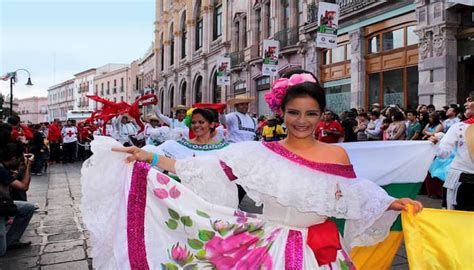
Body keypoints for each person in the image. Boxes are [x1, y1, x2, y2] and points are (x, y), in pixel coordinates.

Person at [86, 71, 423, 269]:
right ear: (282, 113)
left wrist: (393, 203)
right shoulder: (260, 152)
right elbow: (199, 168)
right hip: (270, 247)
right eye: (294, 113)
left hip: (322, 253)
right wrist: (150, 159)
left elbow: (355, 190)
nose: (301, 121)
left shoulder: (336, 155)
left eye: (310, 113)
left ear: (321, 115)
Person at [429, 96, 474, 211]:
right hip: (462, 180)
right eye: (467, 101)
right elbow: (444, 153)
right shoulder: (459, 127)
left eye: (470, 101)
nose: (466, 104)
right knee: (460, 220)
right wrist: (436, 144)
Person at [0, 143, 35, 256]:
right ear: (13, 158)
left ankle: (11, 240)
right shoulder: (1, 171)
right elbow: (24, 186)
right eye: (19, 159)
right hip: (1, 207)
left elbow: (10, 179)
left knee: (27, 208)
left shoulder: (3, 166)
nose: (21, 161)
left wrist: (21, 169)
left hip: (3, 204)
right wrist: (28, 165)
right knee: (1, 250)